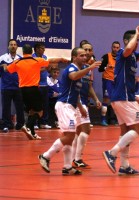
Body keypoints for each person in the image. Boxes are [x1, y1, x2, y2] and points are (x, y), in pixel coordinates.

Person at [38, 47, 101, 175]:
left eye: (85, 55)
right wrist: (89, 68)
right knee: (69, 136)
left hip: (71, 106)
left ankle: (67, 167)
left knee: (69, 137)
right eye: (81, 55)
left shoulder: (79, 71)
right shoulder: (72, 68)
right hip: (64, 106)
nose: (85, 57)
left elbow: (75, 93)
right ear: (74, 57)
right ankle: (46, 156)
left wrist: (81, 107)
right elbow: (73, 76)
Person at [102, 25, 139, 175]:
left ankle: (124, 165)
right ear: (126, 40)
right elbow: (128, 48)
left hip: (122, 98)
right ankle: (111, 153)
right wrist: (136, 34)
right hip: (124, 97)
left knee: (125, 131)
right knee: (138, 129)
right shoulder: (121, 53)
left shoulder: (134, 55)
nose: (137, 41)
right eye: (135, 39)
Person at [4, 44, 68, 140]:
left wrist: (5, 65)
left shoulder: (17, 61)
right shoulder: (36, 60)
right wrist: (62, 59)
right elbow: (51, 61)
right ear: (31, 52)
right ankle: (28, 125)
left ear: (23, 52)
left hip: (22, 90)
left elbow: (6, 70)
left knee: (31, 111)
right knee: (40, 111)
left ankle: (33, 133)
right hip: (33, 89)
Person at [72, 43, 102, 169]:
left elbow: (89, 87)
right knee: (85, 130)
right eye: (85, 50)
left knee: (78, 132)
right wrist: (80, 105)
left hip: (83, 101)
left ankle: (74, 159)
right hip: (76, 102)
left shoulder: (88, 69)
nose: (88, 52)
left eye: (90, 50)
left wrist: (96, 99)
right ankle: (77, 159)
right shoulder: (76, 68)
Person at [0, 39, 25, 132]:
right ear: (8, 46)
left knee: (20, 107)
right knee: (6, 107)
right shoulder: (2, 58)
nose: (13, 46)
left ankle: (20, 124)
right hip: (6, 87)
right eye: (11, 44)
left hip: (18, 87)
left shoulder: (20, 58)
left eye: (15, 44)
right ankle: (6, 125)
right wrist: (2, 66)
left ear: (17, 47)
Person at [98, 41, 121, 126]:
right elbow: (99, 69)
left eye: (117, 47)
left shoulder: (121, 57)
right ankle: (103, 119)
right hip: (107, 80)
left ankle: (114, 119)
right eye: (114, 47)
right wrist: (105, 67)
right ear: (111, 47)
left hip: (117, 81)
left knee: (117, 100)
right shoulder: (106, 56)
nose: (116, 49)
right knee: (106, 99)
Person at [32, 42, 51, 129]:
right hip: (36, 84)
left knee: (45, 105)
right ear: (36, 49)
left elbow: (47, 69)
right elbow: (35, 70)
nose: (43, 50)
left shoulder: (45, 57)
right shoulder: (32, 57)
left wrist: (49, 68)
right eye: (42, 48)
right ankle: (34, 123)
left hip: (45, 84)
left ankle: (43, 122)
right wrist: (45, 68)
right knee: (35, 105)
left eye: (44, 48)